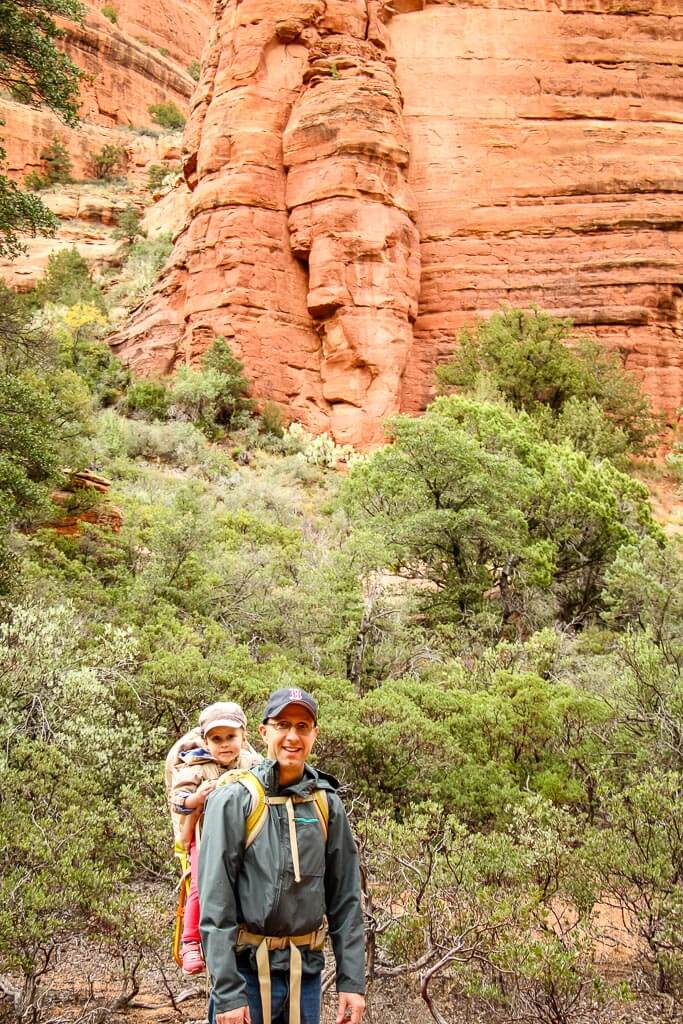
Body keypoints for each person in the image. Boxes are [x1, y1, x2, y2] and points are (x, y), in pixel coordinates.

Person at [199, 686, 365, 1024]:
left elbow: (345, 897)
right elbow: (216, 903)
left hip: (304, 975)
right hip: (245, 975)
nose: (293, 736)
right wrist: (227, 993)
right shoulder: (233, 799)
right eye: (282, 725)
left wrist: (351, 981)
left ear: (315, 734)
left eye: (303, 727)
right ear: (263, 732)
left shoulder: (325, 802)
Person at [171, 701, 261, 975]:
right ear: (205, 741)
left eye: (231, 737)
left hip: (244, 837)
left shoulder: (252, 763)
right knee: (201, 886)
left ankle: (248, 933)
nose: (224, 745)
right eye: (216, 739)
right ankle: (190, 942)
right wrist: (196, 797)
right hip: (205, 839)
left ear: (244, 737)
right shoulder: (196, 766)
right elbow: (178, 799)